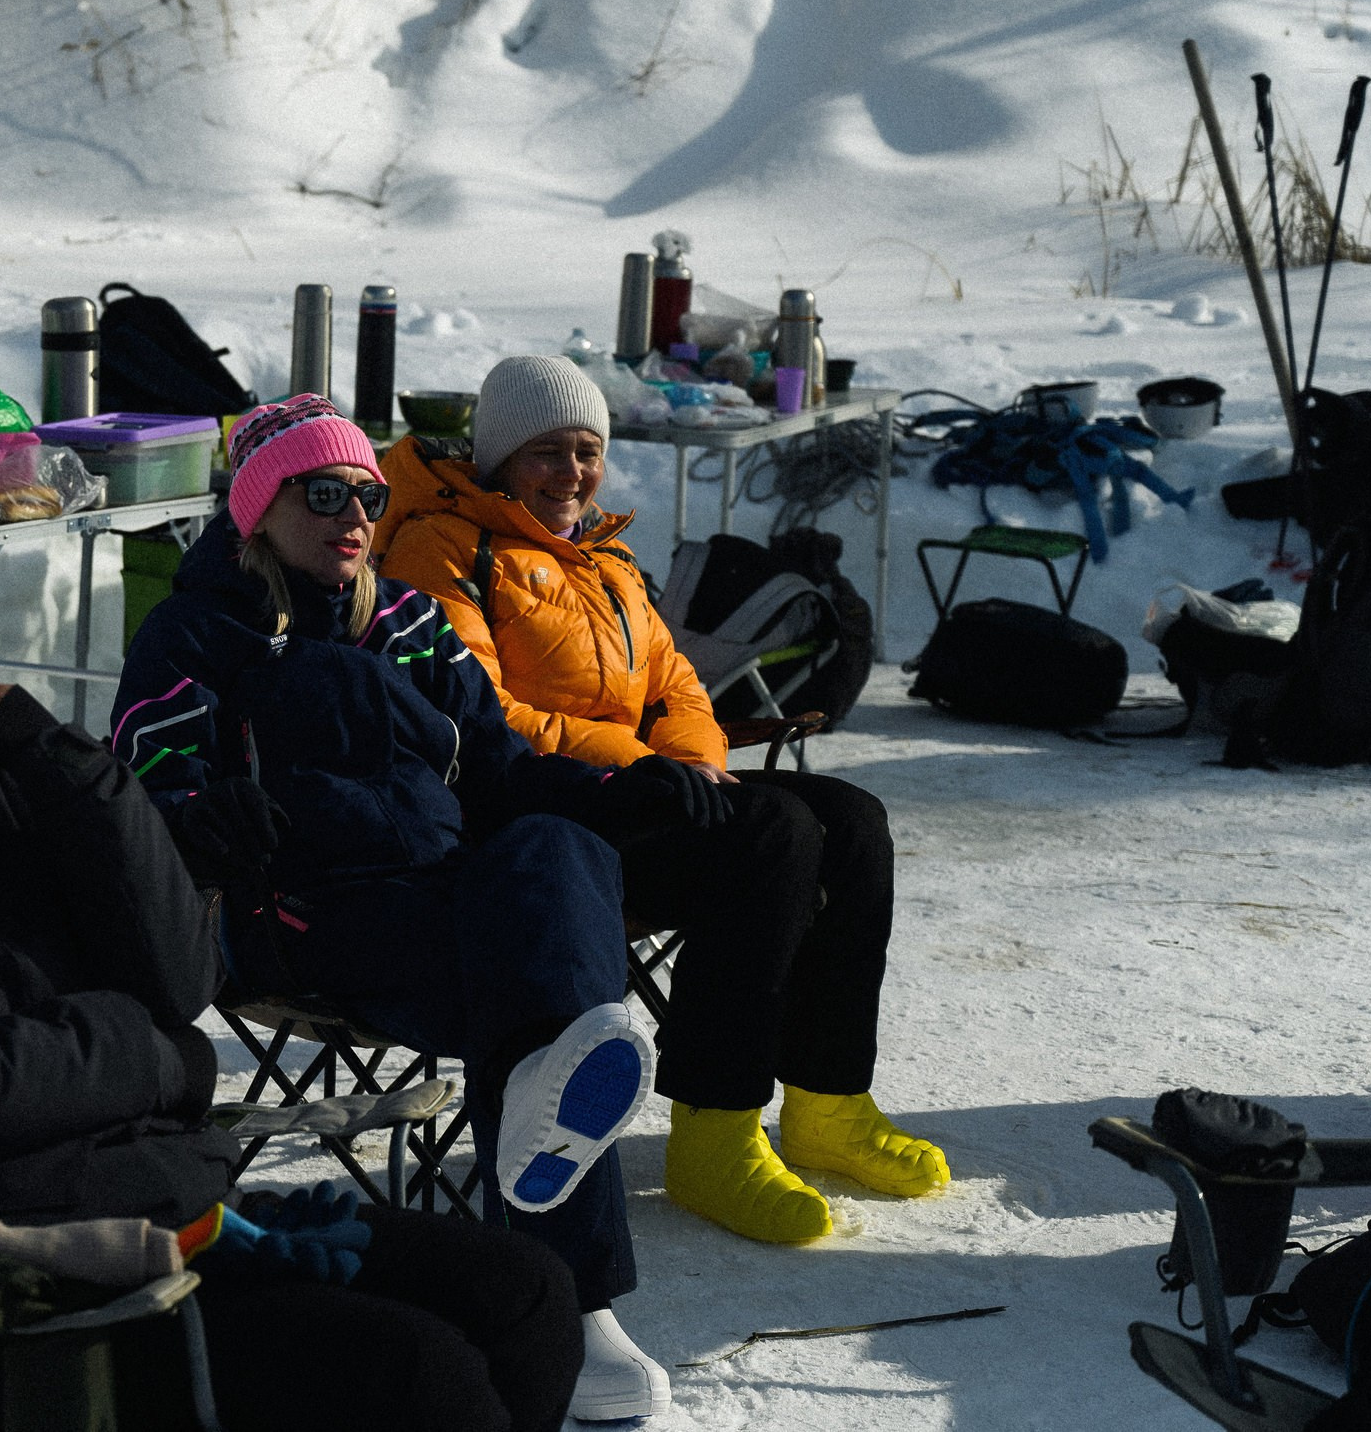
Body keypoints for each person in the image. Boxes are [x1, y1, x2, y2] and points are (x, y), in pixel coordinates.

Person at [0, 507, 585, 1432]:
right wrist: (158, 1060)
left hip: (149, 1217)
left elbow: (179, 981)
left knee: (526, 1295)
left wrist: (72, 773)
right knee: (411, 1378)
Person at [110, 395, 694, 1424]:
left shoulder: (409, 623)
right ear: (257, 508)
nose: (352, 516)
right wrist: (198, 810)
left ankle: (550, 1166)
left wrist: (618, 789)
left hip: (440, 903)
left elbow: (506, 771)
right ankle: (583, 1306)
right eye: (323, 492)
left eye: (369, 498)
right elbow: (137, 789)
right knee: (538, 996)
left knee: (561, 848)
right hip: (298, 922)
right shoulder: (192, 635)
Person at [374, 353, 949, 1248]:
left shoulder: (603, 554)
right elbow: (482, 716)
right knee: (772, 835)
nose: (573, 473)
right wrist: (639, 765)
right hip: (531, 816)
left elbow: (675, 677)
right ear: (497, 458)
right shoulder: (442, 549)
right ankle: (715, 1134)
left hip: (638, 789)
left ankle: (829, 1102)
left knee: (851, 819)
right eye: (548, 453)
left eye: (588, 450)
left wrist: (687, 759)